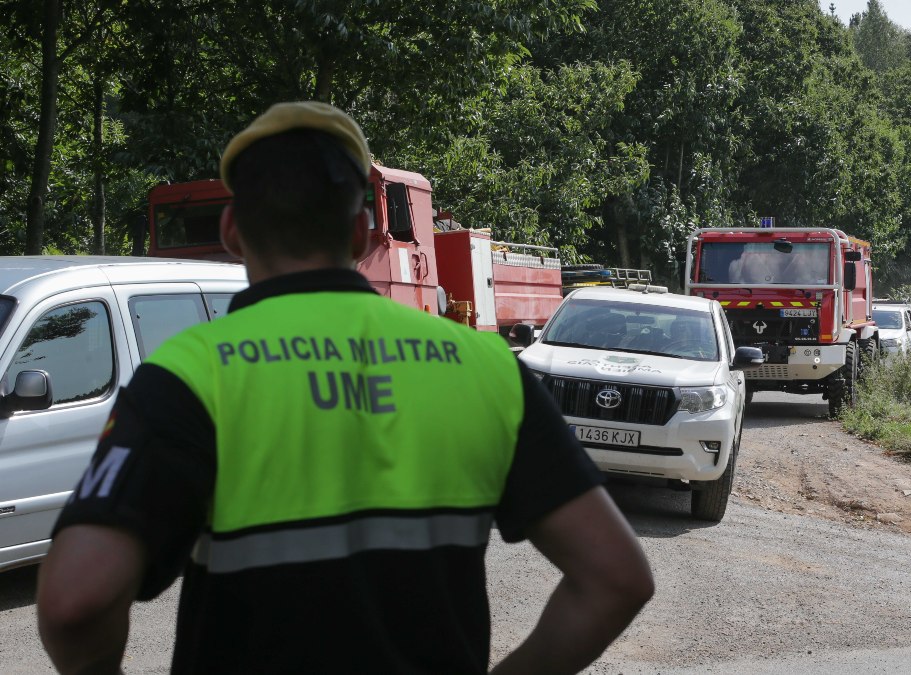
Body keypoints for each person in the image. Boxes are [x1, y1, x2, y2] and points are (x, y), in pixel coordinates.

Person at [37, 101, 654, 674]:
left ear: (231, 232)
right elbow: (616, 579)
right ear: (361, 233)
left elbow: (74, 604)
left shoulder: (191, 374)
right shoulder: (487, 367)